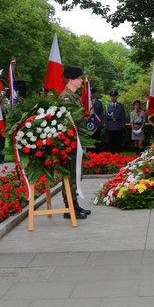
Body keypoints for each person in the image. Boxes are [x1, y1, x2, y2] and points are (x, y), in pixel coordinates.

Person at [57, 66, 91, 220]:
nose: (81, 80)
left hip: (76, 140)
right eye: (79, 78)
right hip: (69, 142)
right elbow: (68, 119)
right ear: (71, 80)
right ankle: (69, 207)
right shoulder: (65, 97)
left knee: (77, 174)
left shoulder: (74, 96)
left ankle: (74, 205)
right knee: (70, 175)